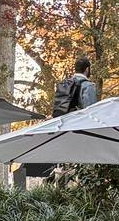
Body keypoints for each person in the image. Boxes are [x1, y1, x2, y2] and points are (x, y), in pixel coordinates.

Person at [21, 56, 97, 190]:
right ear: (87, 69)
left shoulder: (64, 84)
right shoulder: (88, 86)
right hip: (80, 130)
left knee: (65, 163)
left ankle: (61, 186)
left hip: (63, 129)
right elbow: (90, 111)